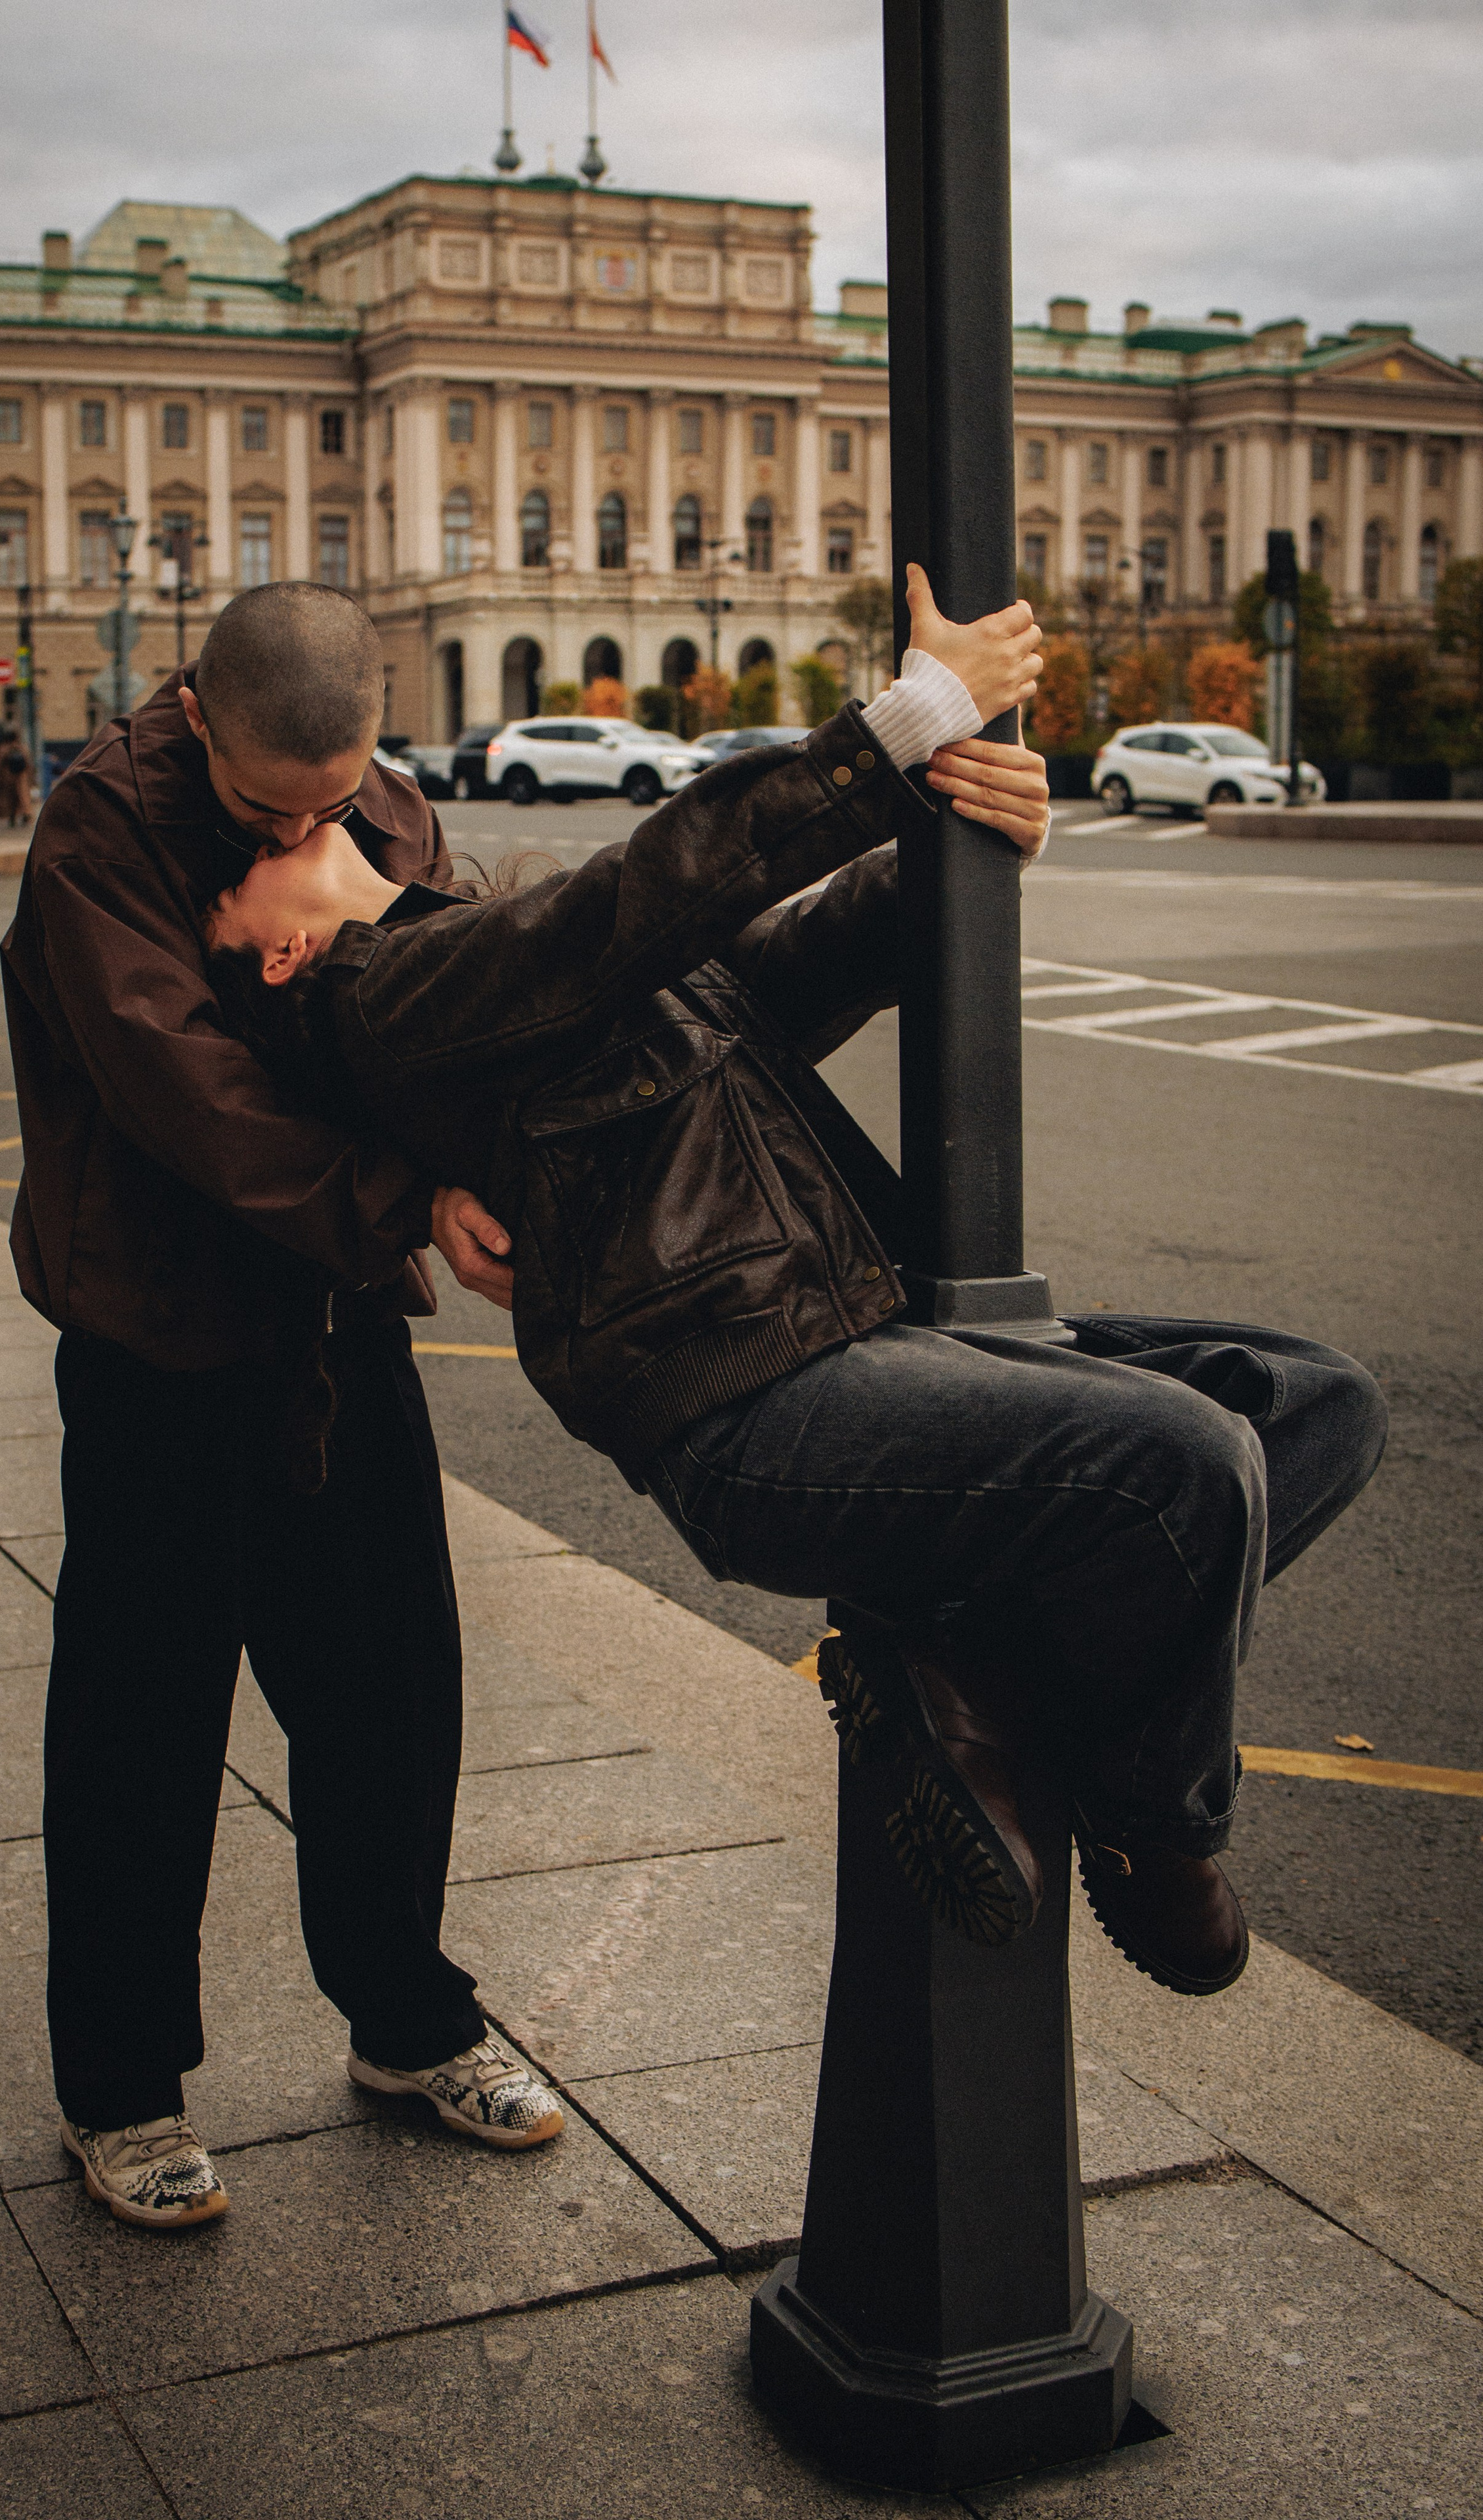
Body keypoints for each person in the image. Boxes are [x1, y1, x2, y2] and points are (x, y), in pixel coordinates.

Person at [205, 560, 1385, 2008]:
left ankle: (971, 1673)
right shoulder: (386, 1002)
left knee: (1316, 1405)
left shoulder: (491, 967)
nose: (285, 834)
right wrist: (899, 726)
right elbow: (633, 900)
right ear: (278, 954)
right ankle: (1153, 1825)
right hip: (749, 1405)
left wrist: (965, 848)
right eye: (244, 868)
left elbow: (781, 966)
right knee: (1185, 1465)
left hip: (856, 1326)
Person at [1, 581, 566, 2239]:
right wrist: (406, 1199)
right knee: (143, 1722)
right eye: (268, 812)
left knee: (390, 1687)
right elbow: (198, 1101)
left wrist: (469, 1161)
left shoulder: (379, 808)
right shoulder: (98, 832)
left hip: (334, 1319)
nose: (305, 833)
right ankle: (121, 2089)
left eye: (335, 799)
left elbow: (448, 1013)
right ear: (196, 717)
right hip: (156, 1333)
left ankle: (407, 2022)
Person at [0, 732, 31, 828]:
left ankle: (12, 817)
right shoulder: (22, 747)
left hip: (8, 776)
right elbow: (28, 762)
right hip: (22, 776)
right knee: (23, 796)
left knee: (10, 798)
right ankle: (26, 813)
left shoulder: (3, 749)